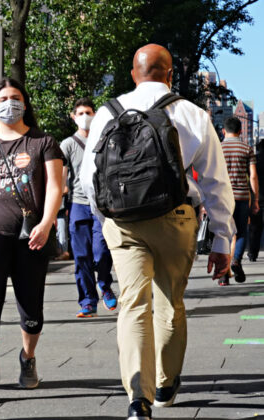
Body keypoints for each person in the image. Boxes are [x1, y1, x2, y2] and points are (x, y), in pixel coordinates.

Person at [80, 44, 234, 420]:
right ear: (169, 75)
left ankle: (138, 398)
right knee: (170, 302)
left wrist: (108, 221)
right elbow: (216, 182)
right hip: (175, 218)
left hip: (123, 222)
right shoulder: (191, 113)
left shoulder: (107, 112)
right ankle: (166, 383)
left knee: (133, 304)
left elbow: (88, 178)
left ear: (134, 74)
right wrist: (222, 238)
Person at [0, 78, 64, 404]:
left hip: (31, 233)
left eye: (15, 97)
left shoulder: (43, 142)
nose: (9, 103)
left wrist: (46, 223)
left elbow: (57, 187)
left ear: (25, 103)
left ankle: (28, 357)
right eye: (2, 98)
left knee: (31, 307)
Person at [60, 97, 116, 317]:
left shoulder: (103, 139)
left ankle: (105, 284)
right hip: (78, 204)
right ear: (74, 117)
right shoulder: (67, 144)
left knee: (102, 251)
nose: (85, 117)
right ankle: (87, 301)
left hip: (101, 205)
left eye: (89, 112)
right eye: (81, 113)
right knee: (81, 256)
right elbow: (61, 176)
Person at [220, 116, 259, 284]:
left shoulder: (217, 148)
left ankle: (223, 274)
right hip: (242, 196)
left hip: (222, 198)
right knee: (241, 232)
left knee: (222, 234)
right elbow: (253, 176)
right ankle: (236, 260)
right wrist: (255, 199)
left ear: (223, 131)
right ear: (240, 131)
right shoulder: (247, 148)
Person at [247, 139, 264, 261]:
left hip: (257, 196)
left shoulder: (255, 160)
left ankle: (253, 253)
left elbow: (251, 177)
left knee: (255, 227)